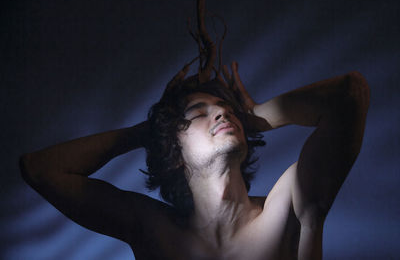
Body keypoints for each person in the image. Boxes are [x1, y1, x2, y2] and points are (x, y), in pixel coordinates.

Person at [20, 61, 370, 260]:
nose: (220, 111)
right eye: (198, 112)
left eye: (227, 110)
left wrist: (256, 116)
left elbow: (350, 93)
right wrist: (151, 130)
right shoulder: (153, 231)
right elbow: (41, 169)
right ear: (173, 148)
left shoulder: (288, 206)